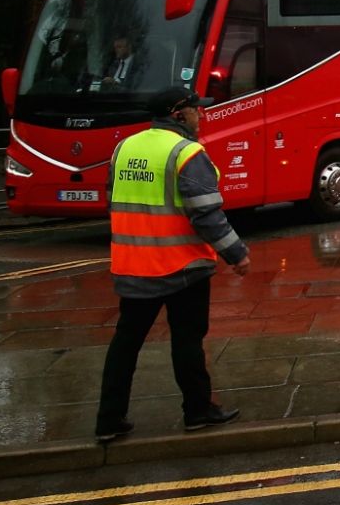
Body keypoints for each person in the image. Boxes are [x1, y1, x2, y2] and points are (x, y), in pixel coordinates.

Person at [95, 90, 252, 442]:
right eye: (197, 110)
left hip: (132, 264)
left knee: (125, 343)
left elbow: (112, 201)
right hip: (182, 266)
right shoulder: (185, 153)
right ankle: (197, 410)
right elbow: (206, 213)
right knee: (187, 340)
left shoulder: (125, 148)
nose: (202, 115)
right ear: (179, 115)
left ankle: (108, 420)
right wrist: (236, 254)